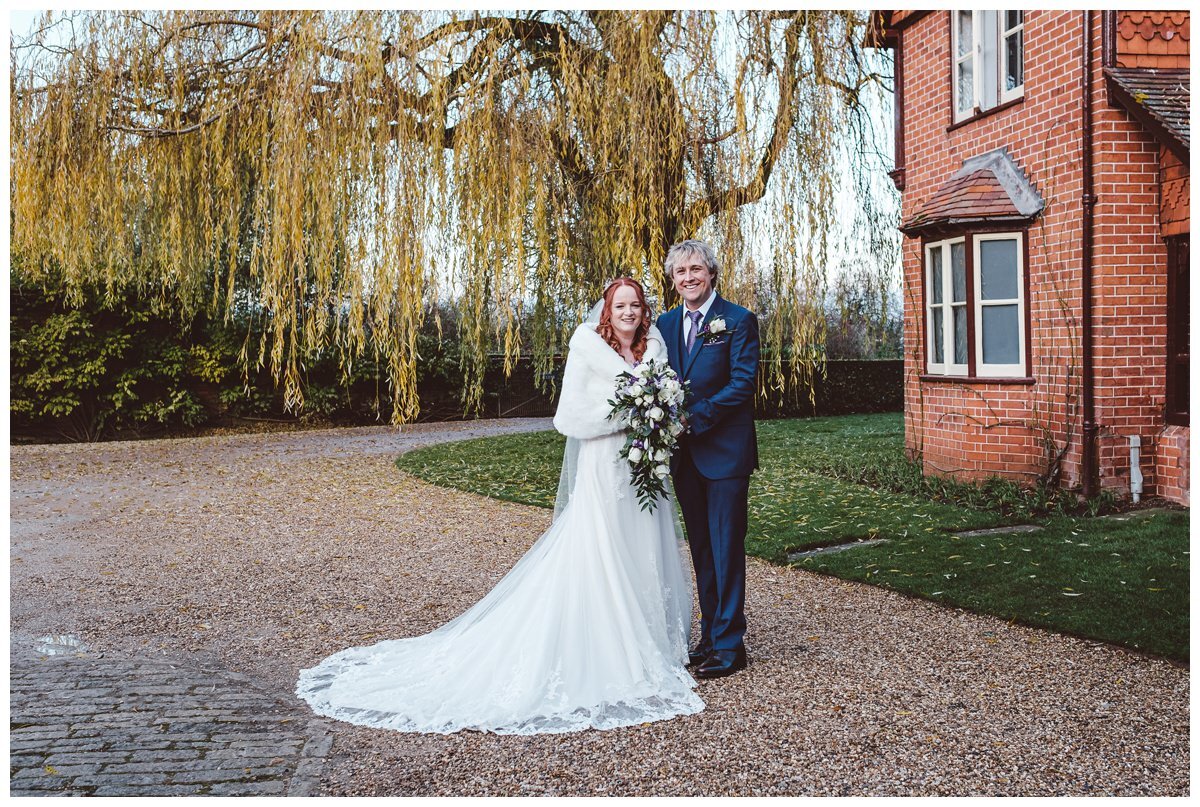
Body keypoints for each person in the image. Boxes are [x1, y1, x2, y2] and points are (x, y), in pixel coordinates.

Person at [296, 278, 703, 734]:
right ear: (606, 312)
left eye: (636, 305)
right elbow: (567, 418)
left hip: (644, 471)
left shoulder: (655, 349)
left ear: (645, 310)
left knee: (645, 549)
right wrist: (630, 414)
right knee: (603, 555)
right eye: (620, 305)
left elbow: (667, 400)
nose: (629, 312)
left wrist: (659, 413)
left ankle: (653, 643)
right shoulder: (587, 347)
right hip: (604, 471)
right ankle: (613, 651)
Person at [656, 239, 759, 679]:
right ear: (673, 280)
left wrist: (693, 418)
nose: (689, 278)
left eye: (696, 269)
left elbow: (743, 383)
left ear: (711, 273)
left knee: (726, 548)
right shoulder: (663, 323)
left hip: (725, 453)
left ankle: (731, 646)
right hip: (684, 458)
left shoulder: (737, 320)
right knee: (701, 550)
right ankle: (710, 636)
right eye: (680, 272)